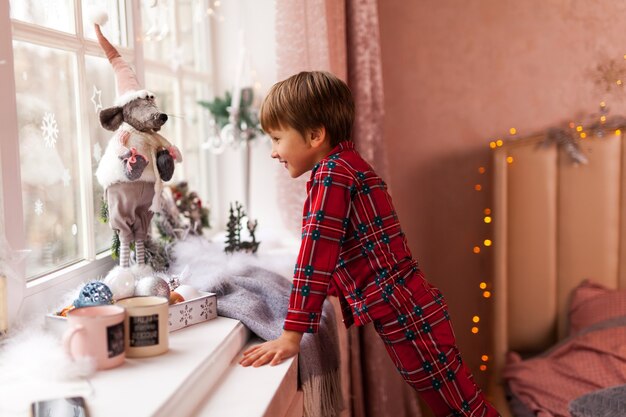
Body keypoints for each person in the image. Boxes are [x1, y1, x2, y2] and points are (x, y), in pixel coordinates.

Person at [239, 71, 500, 417]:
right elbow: (353, 255)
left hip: (412, 318)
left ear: (315, 135)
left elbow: (316, 257)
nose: (273, 152)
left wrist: (291, 336)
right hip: (412, 312)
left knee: (464, 410)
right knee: (455, 407)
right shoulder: (348, 167)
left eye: (276, 138)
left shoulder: (333, 175)